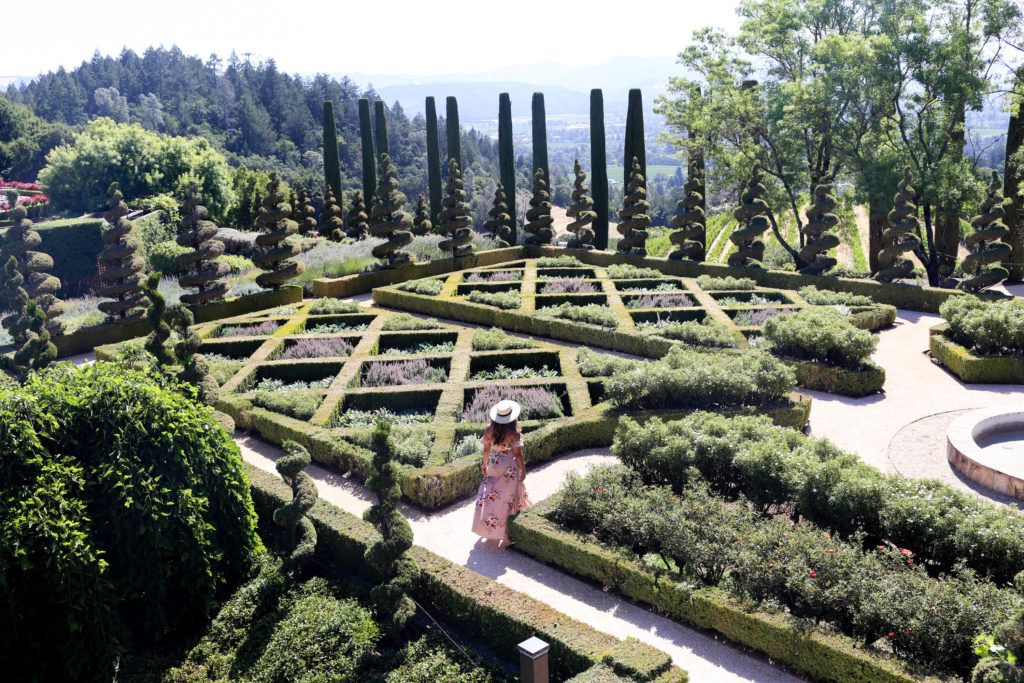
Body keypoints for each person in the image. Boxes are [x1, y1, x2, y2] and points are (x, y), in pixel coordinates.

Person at [471, 399, 531, 547]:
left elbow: (486, 450)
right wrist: (523, 469)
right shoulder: (514, 434)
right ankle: (509, 530)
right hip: (510, 468)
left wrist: (484, 464)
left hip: (495, 465)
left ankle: (489, 529)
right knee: (508, 500)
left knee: (490, 498)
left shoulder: (488, 430)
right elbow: (517, 455)